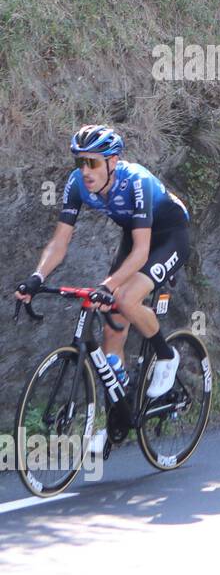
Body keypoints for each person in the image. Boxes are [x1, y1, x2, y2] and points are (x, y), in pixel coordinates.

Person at [16, 126, 191, 400]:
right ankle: (118, 413)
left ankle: (167, 356)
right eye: (80, 162)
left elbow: (142, 252)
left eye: (93, 162)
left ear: (112, 162)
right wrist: (37, 277)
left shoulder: (136, 181)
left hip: (169, 236)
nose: (85, 171)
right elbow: (59, 242)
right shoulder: (76, 184)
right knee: (112, 331)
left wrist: (108, 286)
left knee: (126, 299)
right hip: (134, 236)